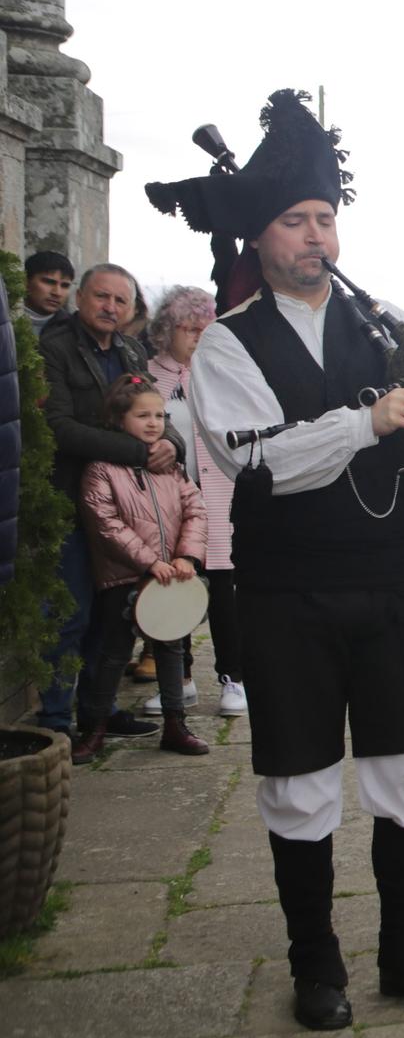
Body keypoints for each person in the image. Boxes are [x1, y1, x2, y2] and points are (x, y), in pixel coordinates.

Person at [161, 88, 404, 1032]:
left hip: (384, 581)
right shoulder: (228, 346)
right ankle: (315, 963)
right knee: (301, 781)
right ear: (261, 239)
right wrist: (367, 419)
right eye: (296, 220)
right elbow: (256, 460)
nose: (317, 234)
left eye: (327, 217)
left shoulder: (380, 324)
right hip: (285, 590)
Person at [34, 262, 178, 745]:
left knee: (113, 615)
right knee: (71, 613)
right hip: (74, 502)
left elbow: (157, 410)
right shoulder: (55, 349)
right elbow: (59, 427)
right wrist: (139, 451)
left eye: (121, 300)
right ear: (81, 298)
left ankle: (100, 709)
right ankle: (56, 721)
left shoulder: (132, 350)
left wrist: (170, 444)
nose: (110, 307)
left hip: (127, 507)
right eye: (102, 297)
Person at [70, 376, 209, 763]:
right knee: (112, 652)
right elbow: (106, 523)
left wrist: (186, 557)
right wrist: (150, 562)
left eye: (160, 415)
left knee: (171, 648)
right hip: (125, 576)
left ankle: (175, 724)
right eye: (142, 415)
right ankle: (95, 726)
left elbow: (195, 510)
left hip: (171, 575)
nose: (153, 423)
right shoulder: (101, 469)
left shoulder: (171, 467)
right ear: (118, 420)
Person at [147, 285, 248, 720]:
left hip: (220, 496)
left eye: (203, 328)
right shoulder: (150, 374)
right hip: (170, 501)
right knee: (176, 588)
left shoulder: (221, 373)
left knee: (225, 592)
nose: (195, 336)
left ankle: (234, 679)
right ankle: (179, 680)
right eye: (187, 328)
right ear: (166, 330)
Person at [23, 250, 74, 339]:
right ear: (26, 282)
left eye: (65, 286)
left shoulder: (75, 330)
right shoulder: (6, 320)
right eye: (49, 282)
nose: (57, 293)